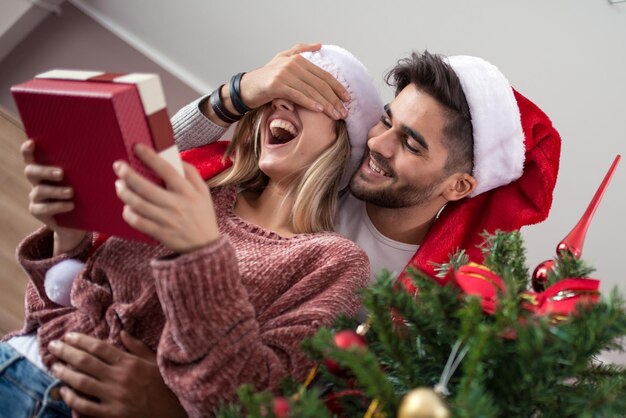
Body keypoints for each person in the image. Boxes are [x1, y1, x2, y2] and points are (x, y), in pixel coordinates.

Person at [25, 44, 562, 417]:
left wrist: (171, 407)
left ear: (459, 185)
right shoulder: (317, 174)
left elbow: (276, 395)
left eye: (412, 143)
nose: (379, 145)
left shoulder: (407, 298)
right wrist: (236, 94)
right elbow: (166, 156)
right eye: (386, 120)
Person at [0, 45, 382, 417]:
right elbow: (54, 307)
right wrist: (66, 235)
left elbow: (251, 396)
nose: (281, 103)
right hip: (17, 360)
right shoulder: (202, 181)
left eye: (306, 94)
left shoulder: (333, 260)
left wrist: (199, 253)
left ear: (344, 140)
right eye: (279, 94)